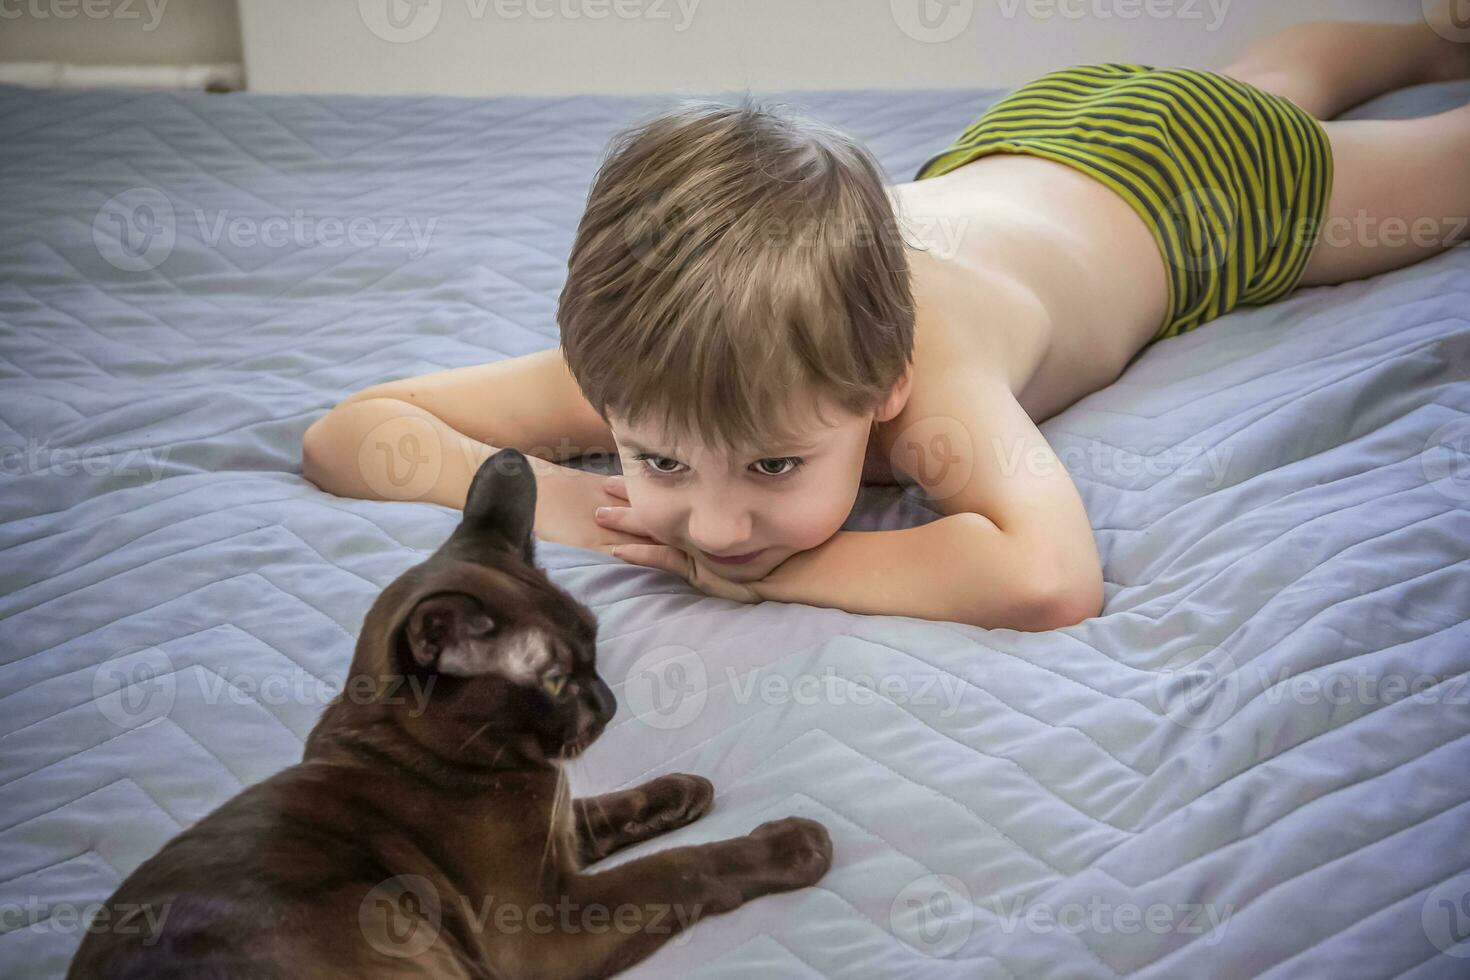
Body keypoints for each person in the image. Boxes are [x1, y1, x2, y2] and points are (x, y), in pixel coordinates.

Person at [303, 9, 1470, 631]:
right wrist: (571, 500)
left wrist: (774, 582)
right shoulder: (663, 353)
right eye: (657, 458)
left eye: (773, 463)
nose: (711, 523)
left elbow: (1049, 578)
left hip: (1204, 192)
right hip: (1024, 137)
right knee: (1265, 80)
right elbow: (353, 429)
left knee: (1403, 162)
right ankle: (1427, 31)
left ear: (887, 389)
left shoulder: (930, 378)